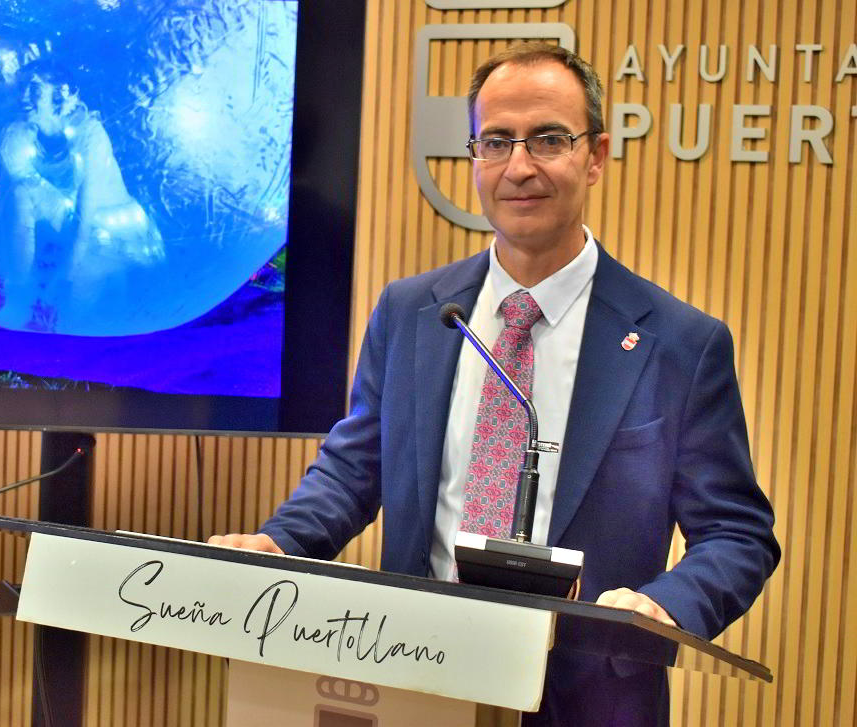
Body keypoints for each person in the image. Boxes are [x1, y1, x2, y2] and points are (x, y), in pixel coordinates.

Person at [210, 42, 779, 726]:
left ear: (596, 156)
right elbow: (355, 471)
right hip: (416, 681)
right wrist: (279, 543)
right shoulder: (414, 312)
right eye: (497, 141)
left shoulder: (679, 343)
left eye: (549, 140)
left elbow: (736, 533)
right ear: (475, 156)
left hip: (590, 696)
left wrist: (666, 606)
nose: (519, 167)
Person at [0, 69, 162, 326]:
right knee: (20, 192)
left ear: (61, 96)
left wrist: (65, 278)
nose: (24, 96)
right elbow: (16, 194)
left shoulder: (90, 135)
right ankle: (19, 298)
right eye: (22, 87)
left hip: (114, 235)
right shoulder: (24, 134)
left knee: (72, 317)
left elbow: (85, 219)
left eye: (35, 89)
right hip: (72, 219)